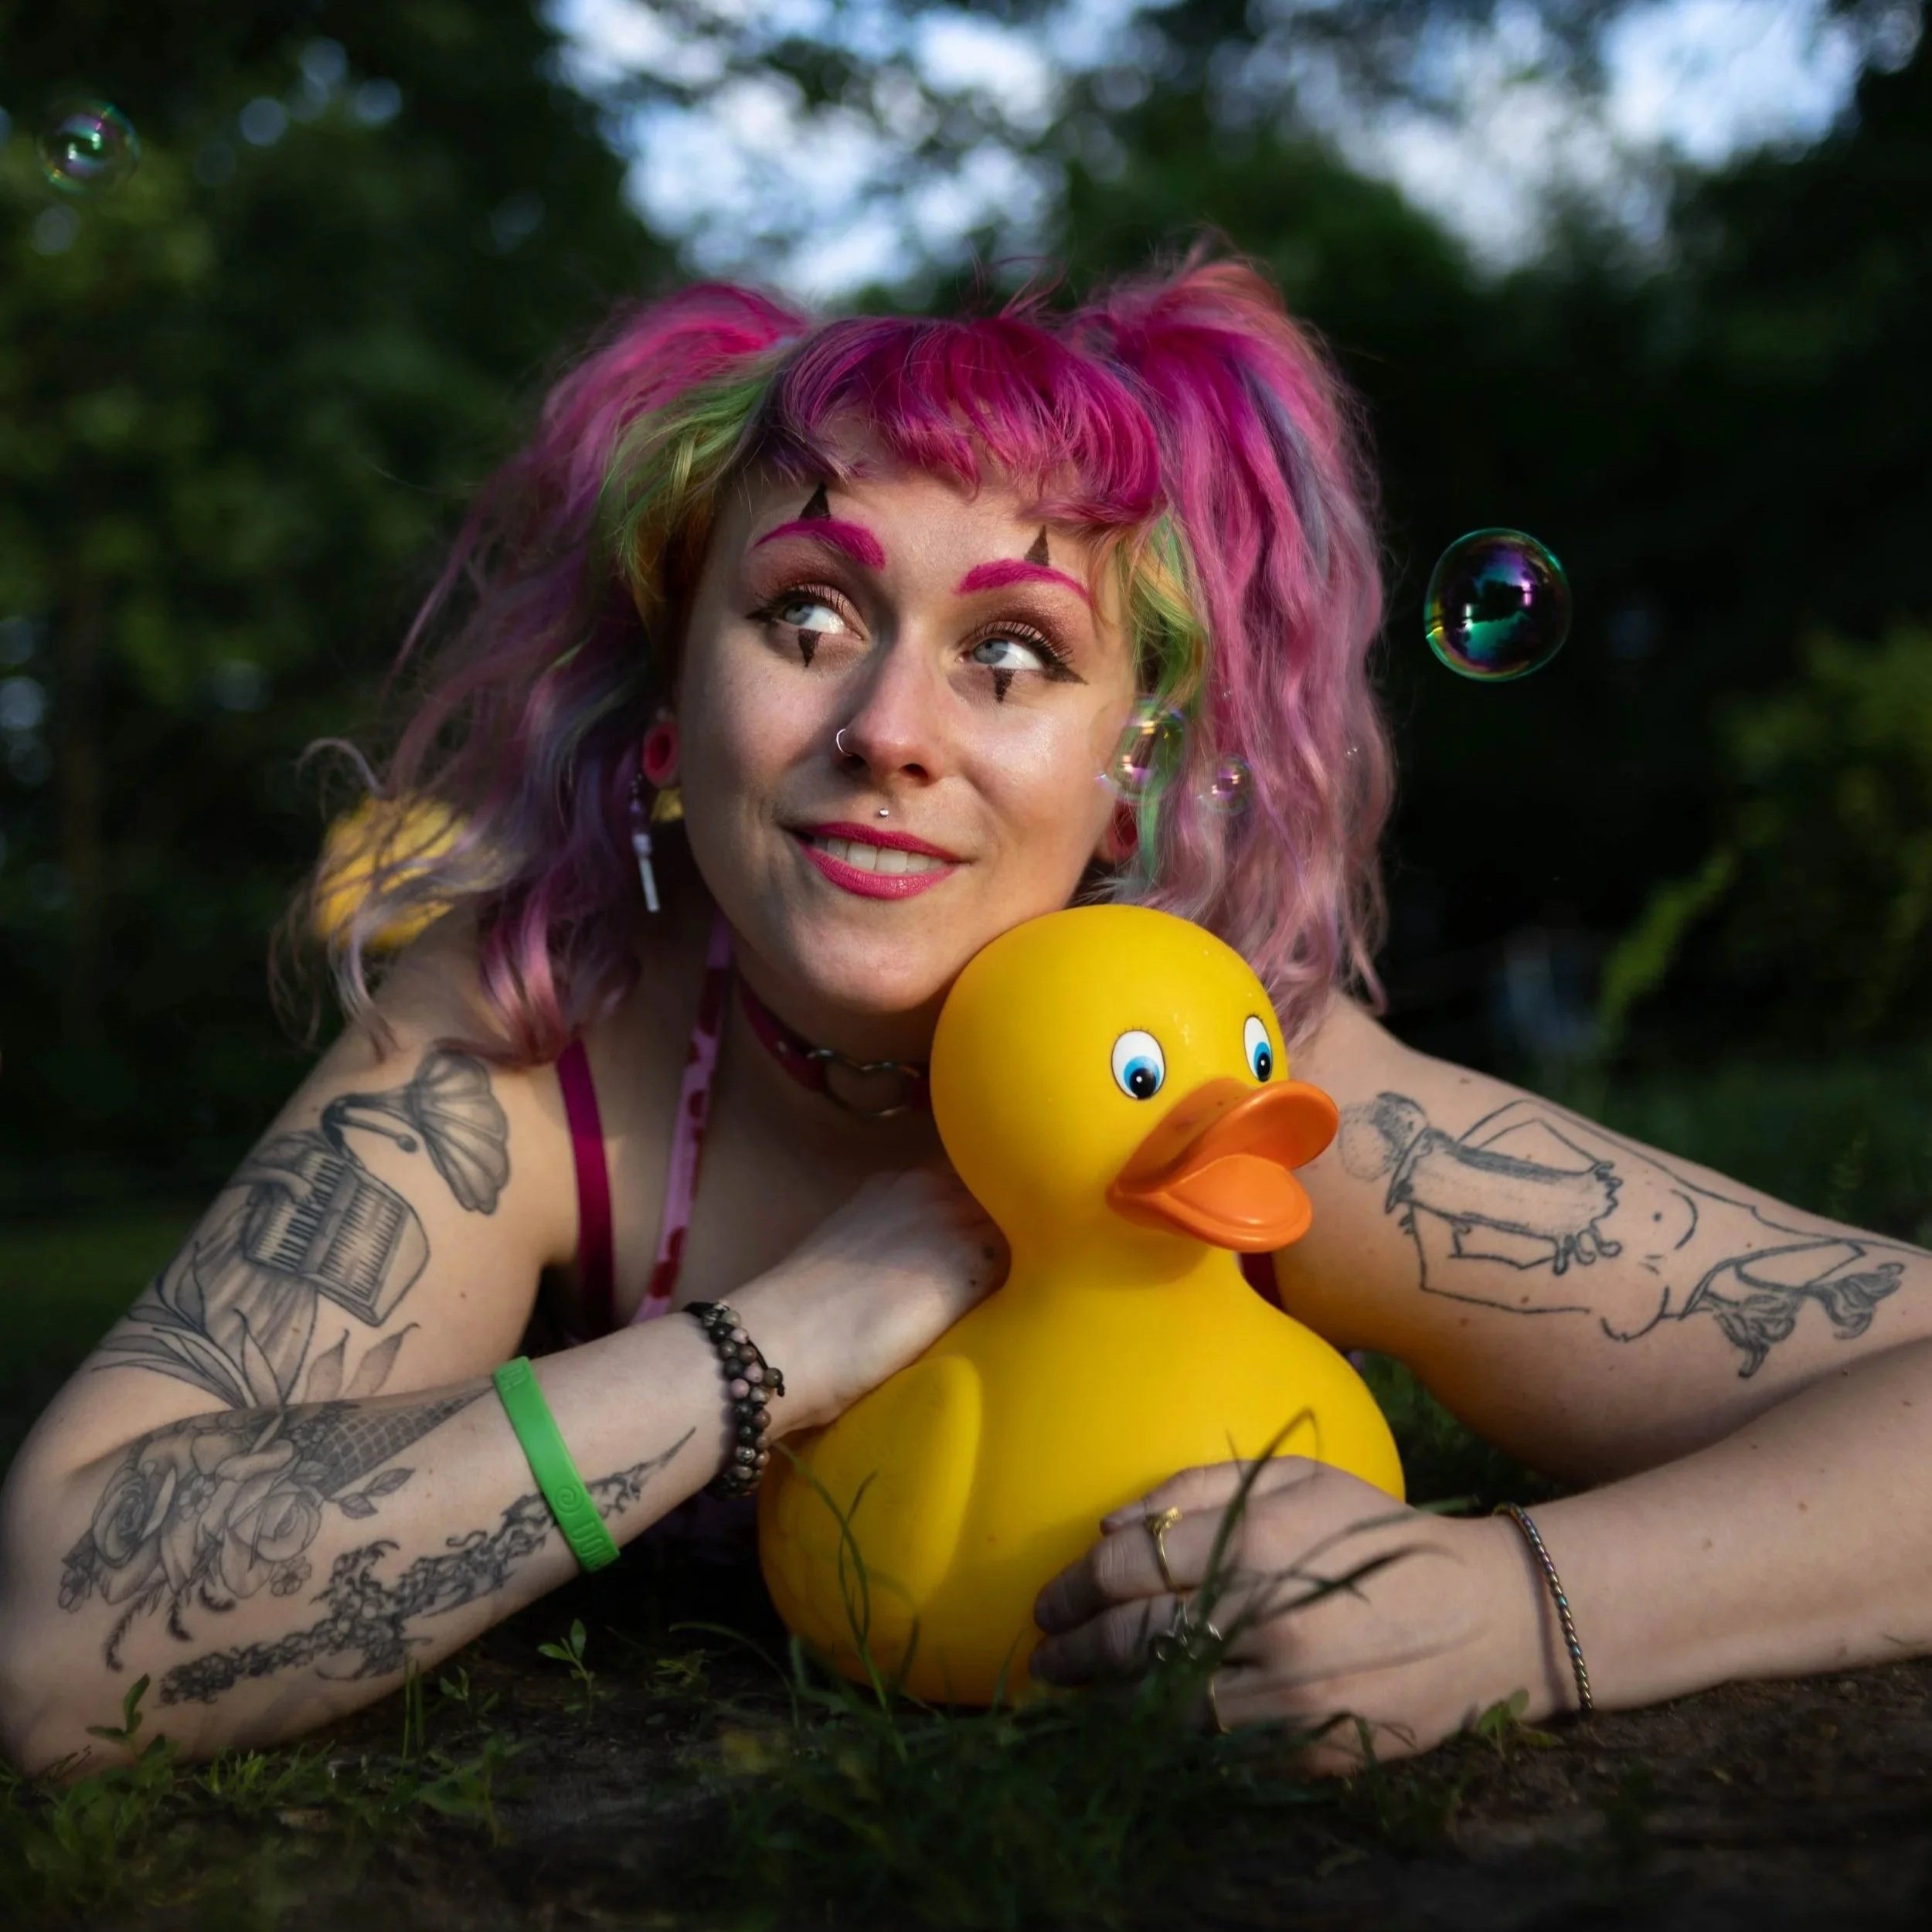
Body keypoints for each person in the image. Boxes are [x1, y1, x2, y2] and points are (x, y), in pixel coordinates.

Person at [5, 251, 1930, 1777]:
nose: (891, 736)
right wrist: (774, 1339)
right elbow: (46, 1633)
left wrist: (1512, 1610)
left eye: (1012, 654)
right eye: (809, 618)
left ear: (1127, 772)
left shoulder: (1221, 1083)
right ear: (671, 722)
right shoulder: (530, 1034)